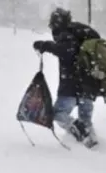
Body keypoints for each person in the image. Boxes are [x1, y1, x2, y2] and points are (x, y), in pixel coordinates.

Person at [33, 8, 101, 148]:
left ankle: (83, 136)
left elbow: (67, 51)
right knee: (86, 118)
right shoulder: (82, 33)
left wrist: (45, 45)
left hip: (72, 84)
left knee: (58, 113)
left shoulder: (67, 34)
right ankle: (93, 144)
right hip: (89, 85)